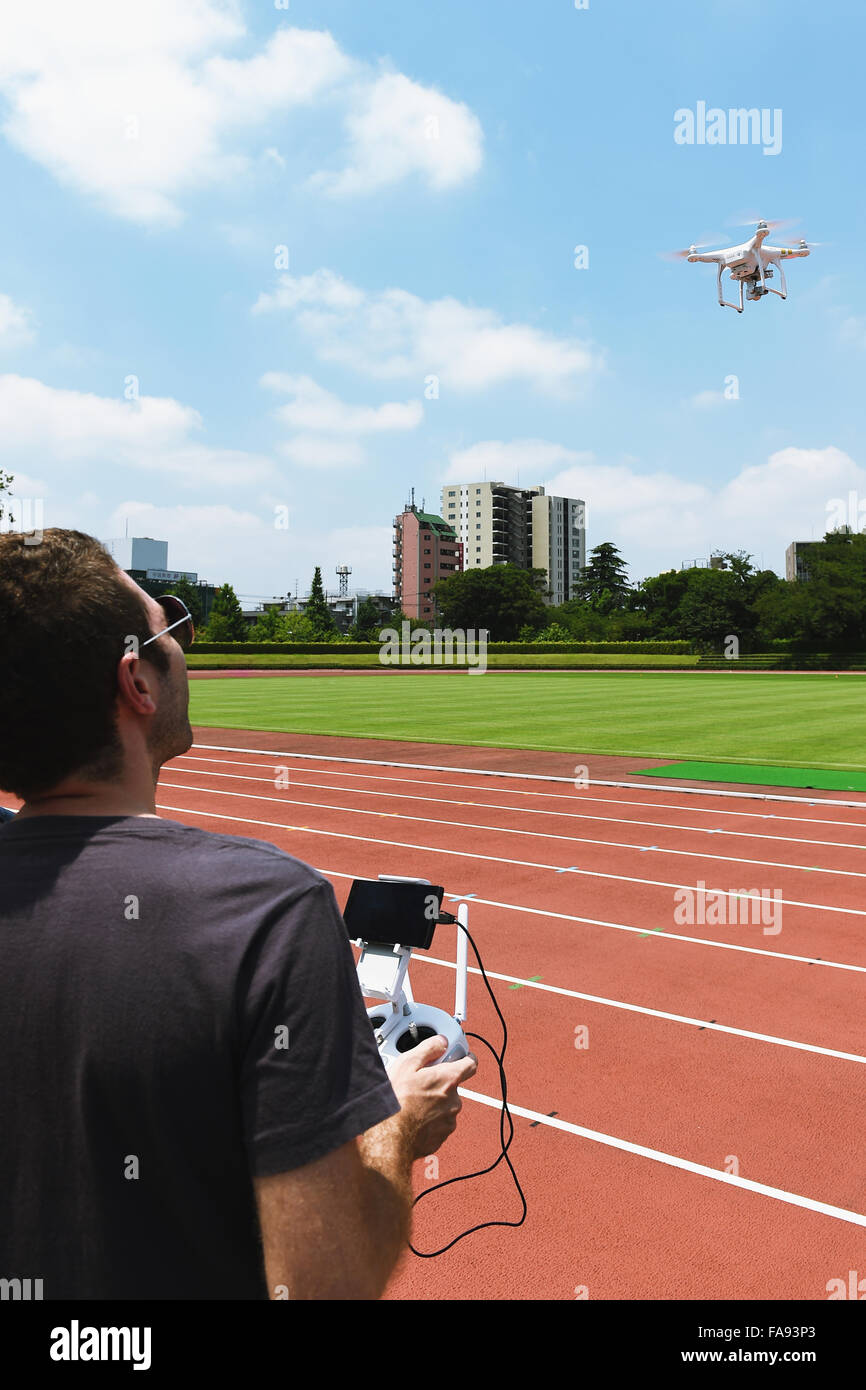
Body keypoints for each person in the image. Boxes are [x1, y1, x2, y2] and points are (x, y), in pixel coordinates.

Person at [0, 528, 477, 1299]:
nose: (186, 647)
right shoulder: (264, 911)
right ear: (137, 683)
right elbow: (326, 1286)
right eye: (172, 629)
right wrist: (398, 1129)